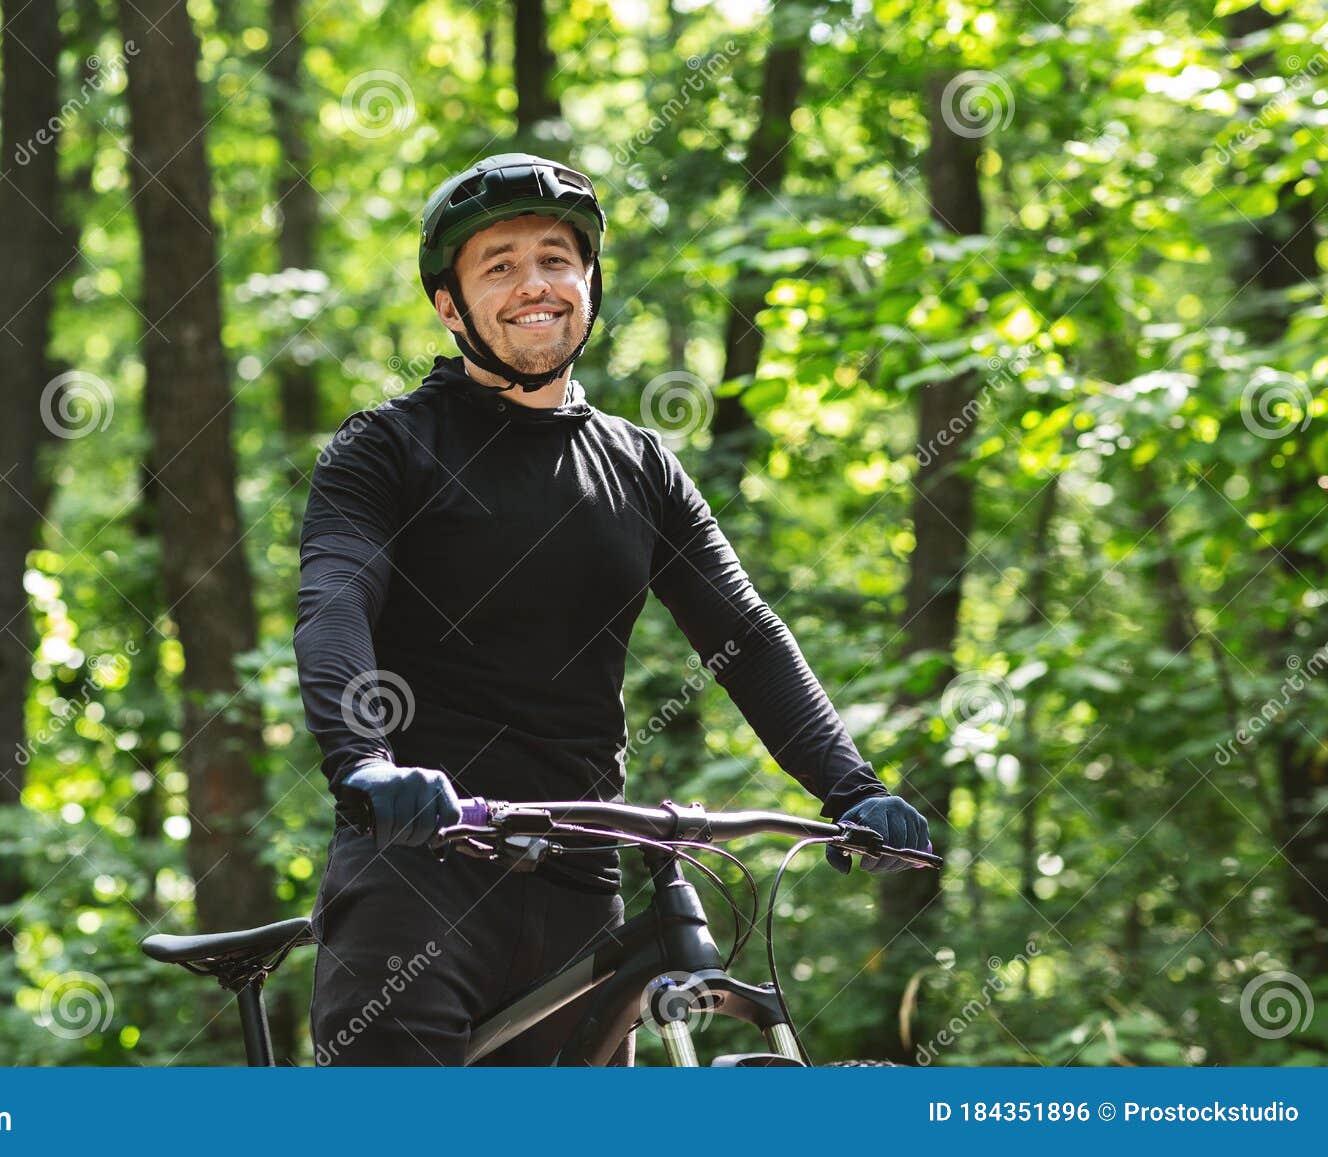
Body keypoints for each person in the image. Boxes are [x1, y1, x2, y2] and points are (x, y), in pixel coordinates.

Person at [294, 153, 931, 1066]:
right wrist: (363, 763)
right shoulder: (388, 447)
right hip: (417, 880)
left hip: (582, 884)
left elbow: (743, 636)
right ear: (451, 305)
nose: (534, 285)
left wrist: (854, 787)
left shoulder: (639, 465)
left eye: (556, 258)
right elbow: (335, 601)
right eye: (499, 264)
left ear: (589, 281)